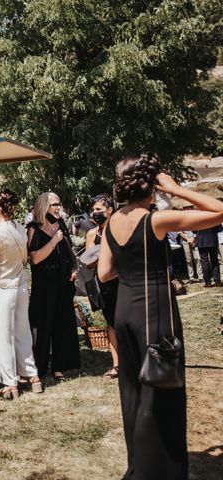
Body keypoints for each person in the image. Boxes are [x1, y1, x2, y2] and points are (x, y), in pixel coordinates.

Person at [98, 153, 223, 479]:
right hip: (154, 311)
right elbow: (219, 211)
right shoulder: (155, 220)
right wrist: (177, 188)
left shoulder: (111, 221)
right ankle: (160, 471)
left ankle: (138, 464)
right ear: (150, 183)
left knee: (133, 389)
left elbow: (105, 272)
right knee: (162, 387)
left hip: (124, 310)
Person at [0, 190, 42, 399]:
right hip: (21, 287)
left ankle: (10, 383)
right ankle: (33, 376)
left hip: (3, 288)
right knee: (22, 331)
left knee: (3, 336)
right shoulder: (20, 230)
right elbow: (24, 259)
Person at [27, 192, 80, 381]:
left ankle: (59, 367)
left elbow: (68, 251)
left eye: (59, 204)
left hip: (63, 283)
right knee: (42, 326)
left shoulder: (61, 226)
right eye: (54, 204)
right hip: (44, 286)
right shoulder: (34, 228)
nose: (58, 207)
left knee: (62, 324)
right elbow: (34, 258)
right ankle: (38, 368)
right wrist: (53, 241)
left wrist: (73, 269)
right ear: (44, 207)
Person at [85, 194, 119, 379]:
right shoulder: (92, 233)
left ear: (109, 211)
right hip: (103, 283)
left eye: (99, 209)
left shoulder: (118, 228)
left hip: (122, 280)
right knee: (111, 323)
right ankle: (116, 364)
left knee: (126, 321)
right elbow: (89, 262)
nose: (95, 213)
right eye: (94, 210)